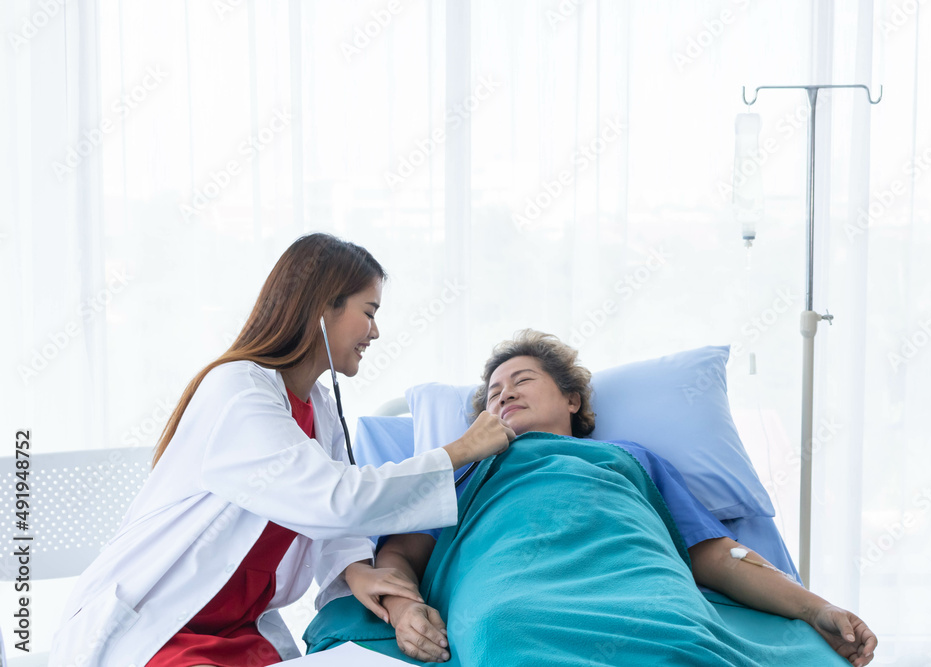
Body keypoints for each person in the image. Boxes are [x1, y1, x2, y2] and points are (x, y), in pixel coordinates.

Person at [50, 234, 514, 667]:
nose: (375, 332)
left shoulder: (319, 407)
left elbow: (334, 525)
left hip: (237, 629)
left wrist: (356, 570)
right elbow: (334, 498)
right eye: (369, 312)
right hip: (161, 622)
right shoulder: (238, 392)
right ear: (323, 308)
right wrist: (460, 450)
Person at [368, 330, 877, 666]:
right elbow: (398, 554)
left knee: (682, 633)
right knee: (507, 631)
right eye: (494, 393)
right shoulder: (461, 468)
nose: (505, 394)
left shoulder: (629, 458)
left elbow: (717, 554)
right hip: (512, 593)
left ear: (572, 399)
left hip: (640, 580)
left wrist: (817, 608)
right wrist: (404, 609)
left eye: (522, 381)